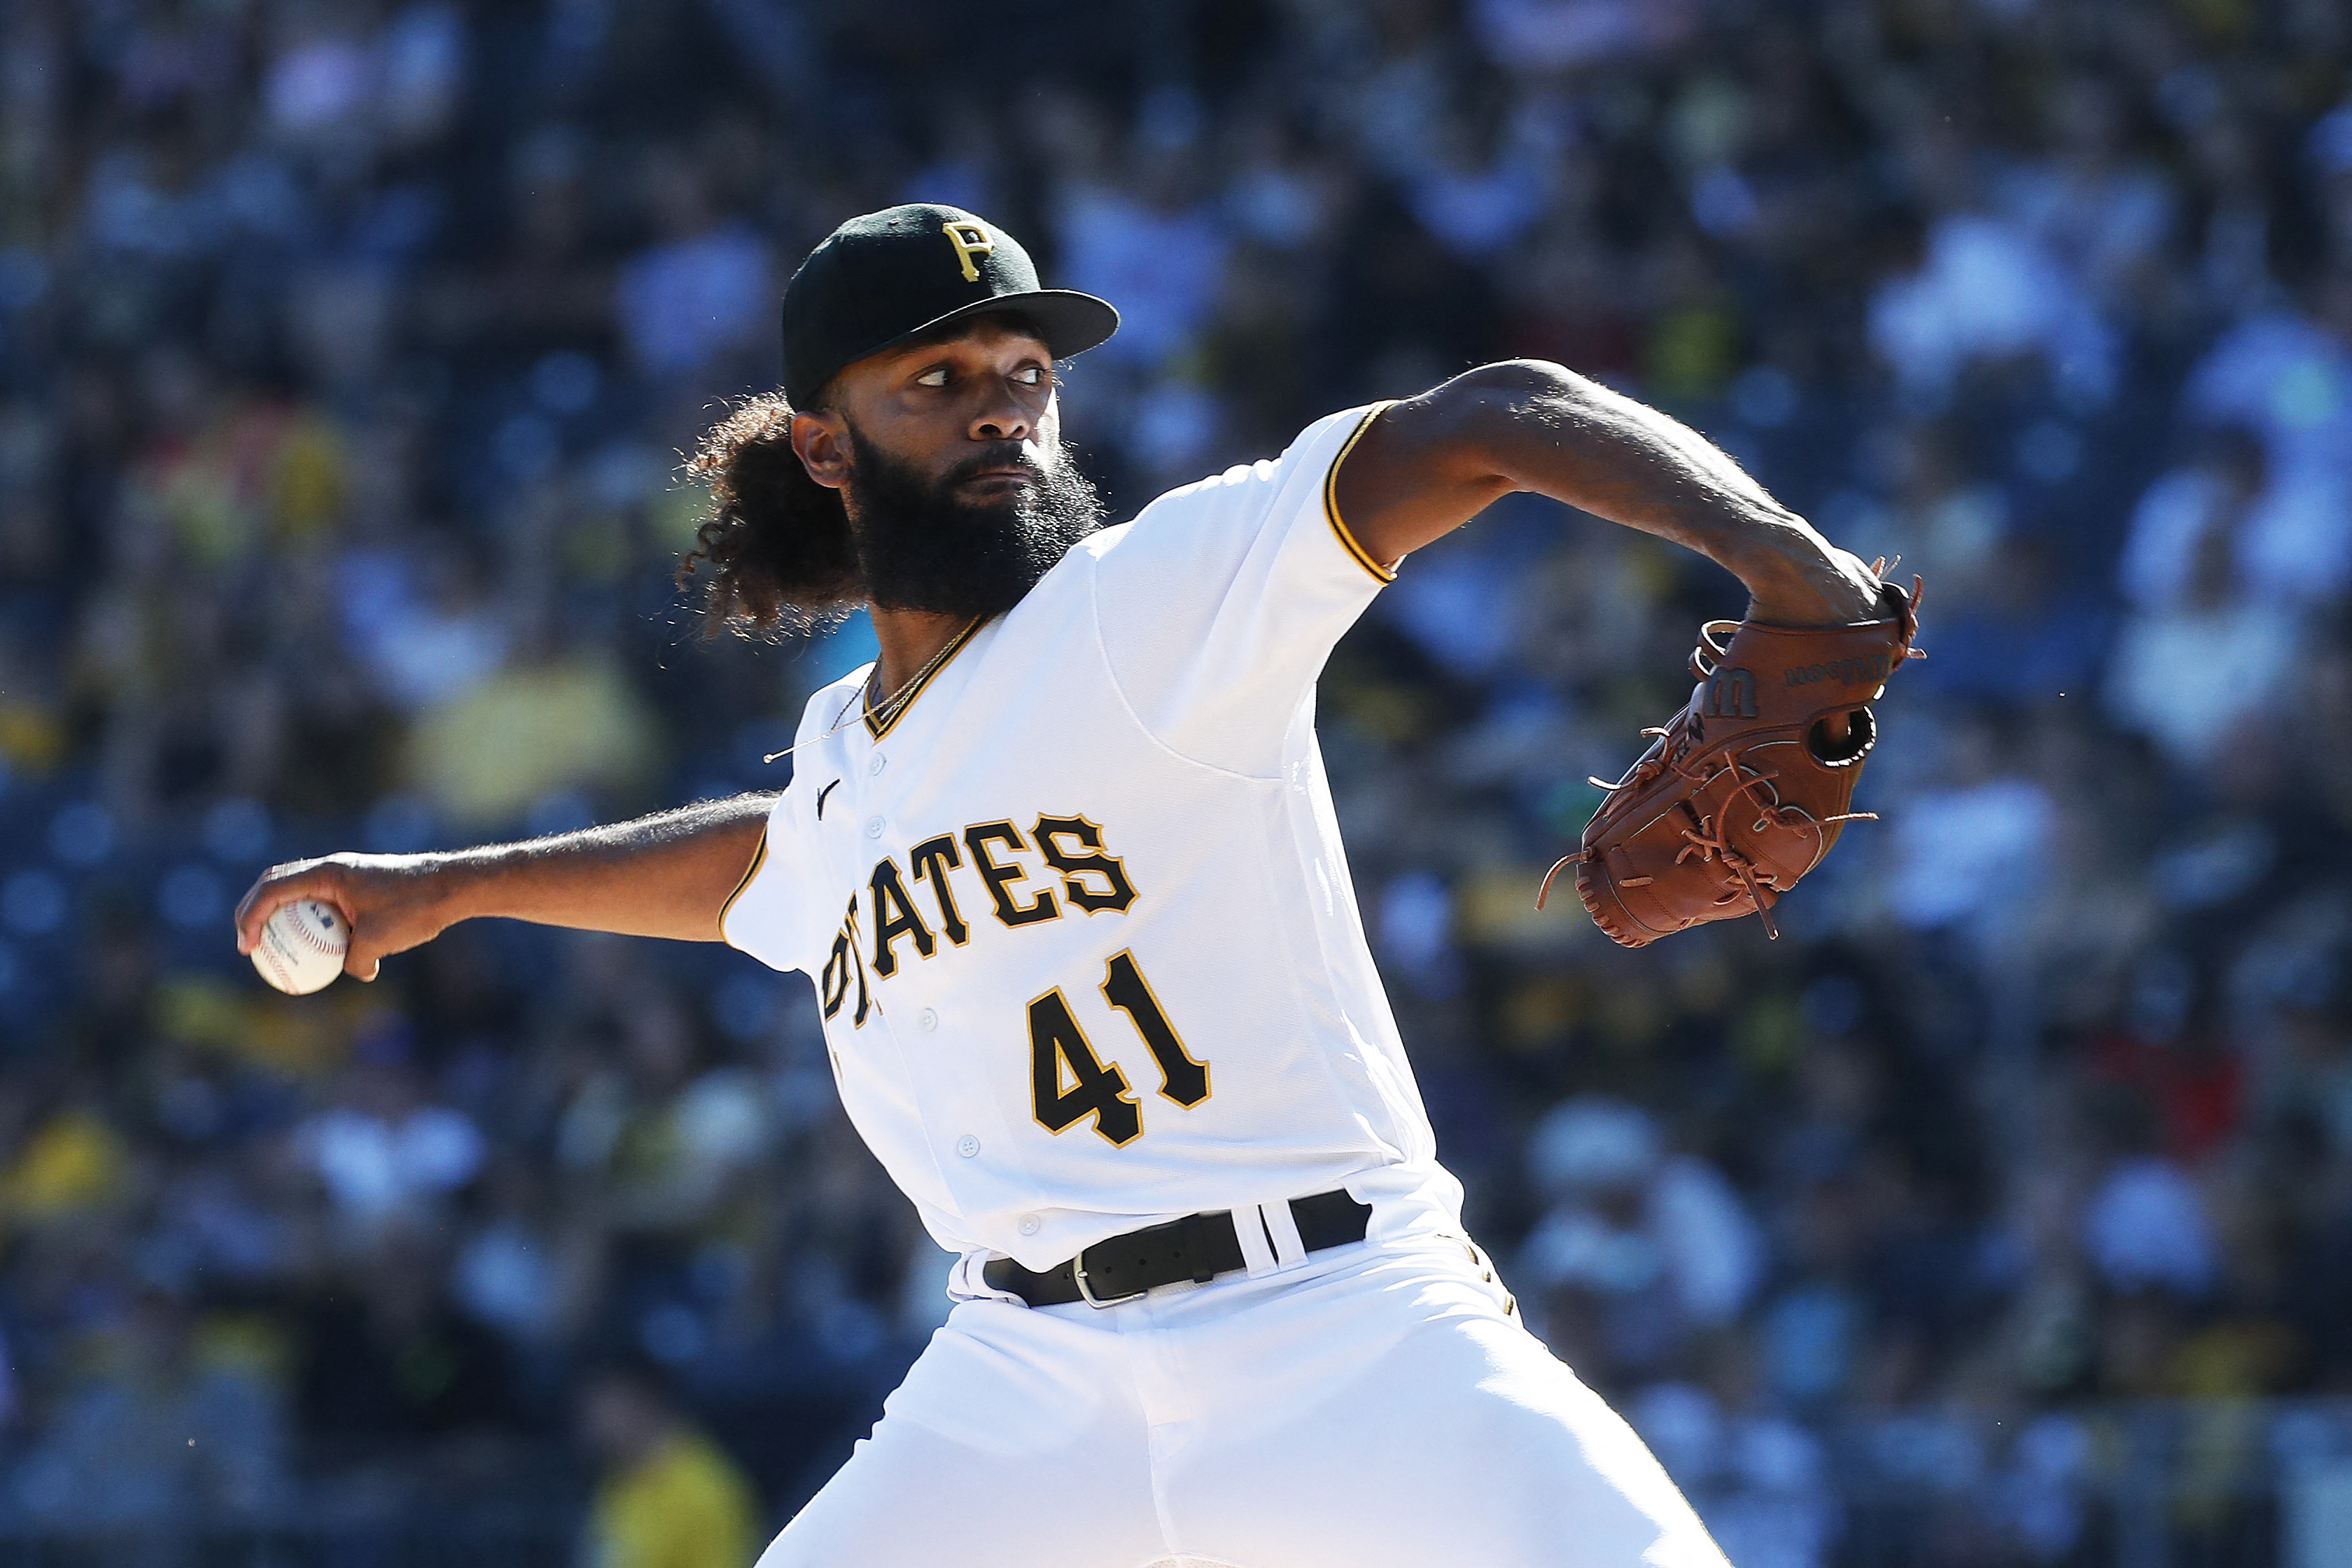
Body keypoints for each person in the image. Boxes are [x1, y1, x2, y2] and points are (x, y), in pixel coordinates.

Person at [237, 203, 1886, 1566]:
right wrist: (446, 889)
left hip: (1344, 1328)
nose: (999, 408)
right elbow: (768, 863)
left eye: (1026, 373)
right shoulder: (844, 750)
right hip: (1028, 1385)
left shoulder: (1150, 603)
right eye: (937, 379)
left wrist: (1797, 576)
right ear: (824, 448)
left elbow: (1492, 418)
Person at [578, 1357, 762, 1568]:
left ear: (640, 1401)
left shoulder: (707, 1491)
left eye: (606, 1405)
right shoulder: (617, 1480)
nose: (594, 1422)